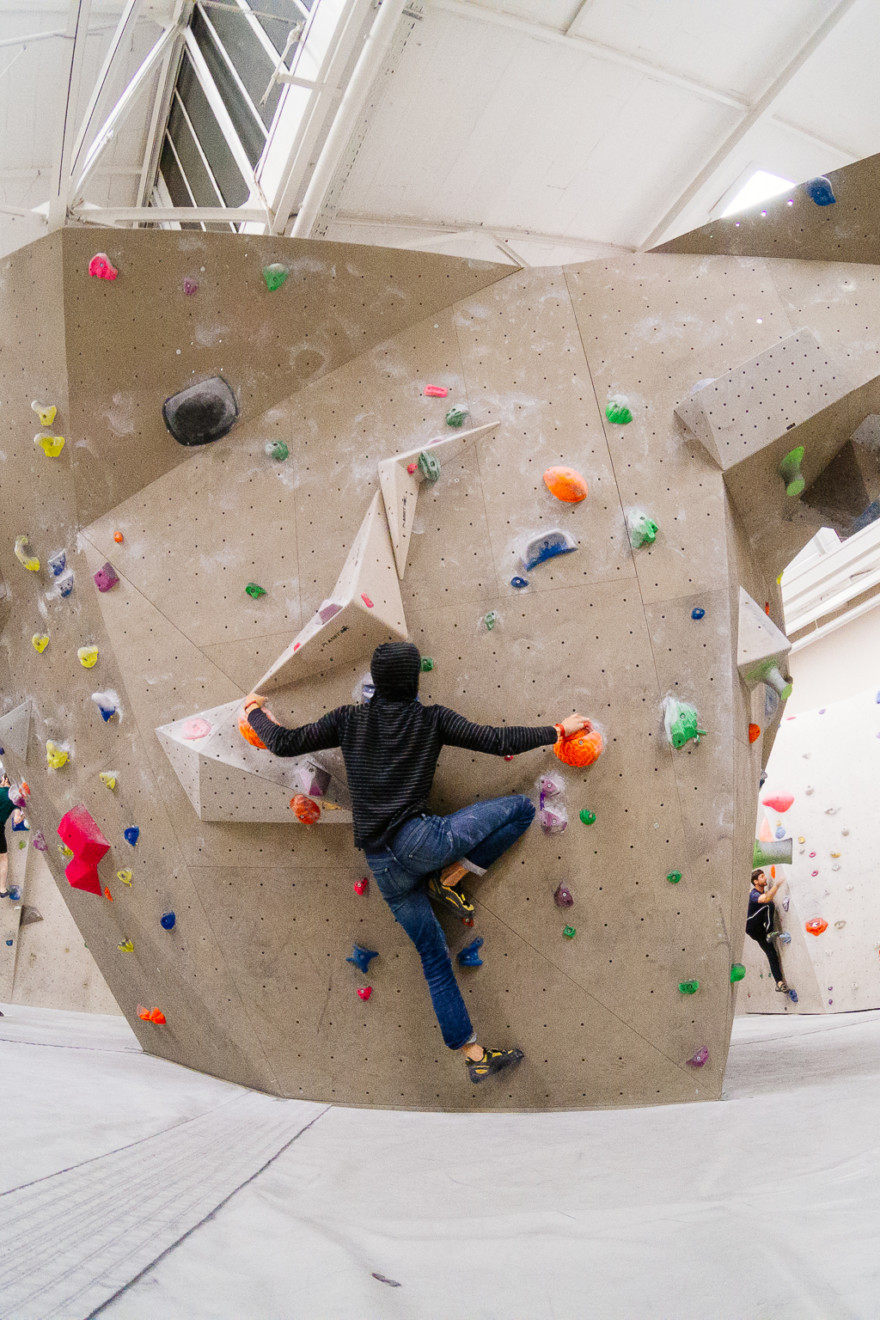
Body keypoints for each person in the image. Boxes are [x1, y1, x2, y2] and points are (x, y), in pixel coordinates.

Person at [243, 641, 591, 1084]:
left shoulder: (348, 720)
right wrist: (558, 730)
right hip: (422, 842)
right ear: (413, 681)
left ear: (376, 680)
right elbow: (497, 741)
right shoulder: (430, 719)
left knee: (433, 955)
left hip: (383, 867)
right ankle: (454, 876)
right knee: (522, 810)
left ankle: (474, 1054)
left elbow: (282, 742)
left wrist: (253, 711)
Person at [746, 868, 797, 1002]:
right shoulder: (754, 894)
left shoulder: (760, 892)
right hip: (751, 924)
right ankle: (770, 933)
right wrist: (778, 884)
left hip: (757, 930)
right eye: (762, 877)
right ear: (755, 882)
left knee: (771, 953)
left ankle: (779, 983)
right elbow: (767, 898)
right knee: (769, 904)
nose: (765, 879)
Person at [0, 772, 20, 900]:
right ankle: (2, 889)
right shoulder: (15, 799)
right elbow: (17, 820)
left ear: (6, 780)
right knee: (3, 858)